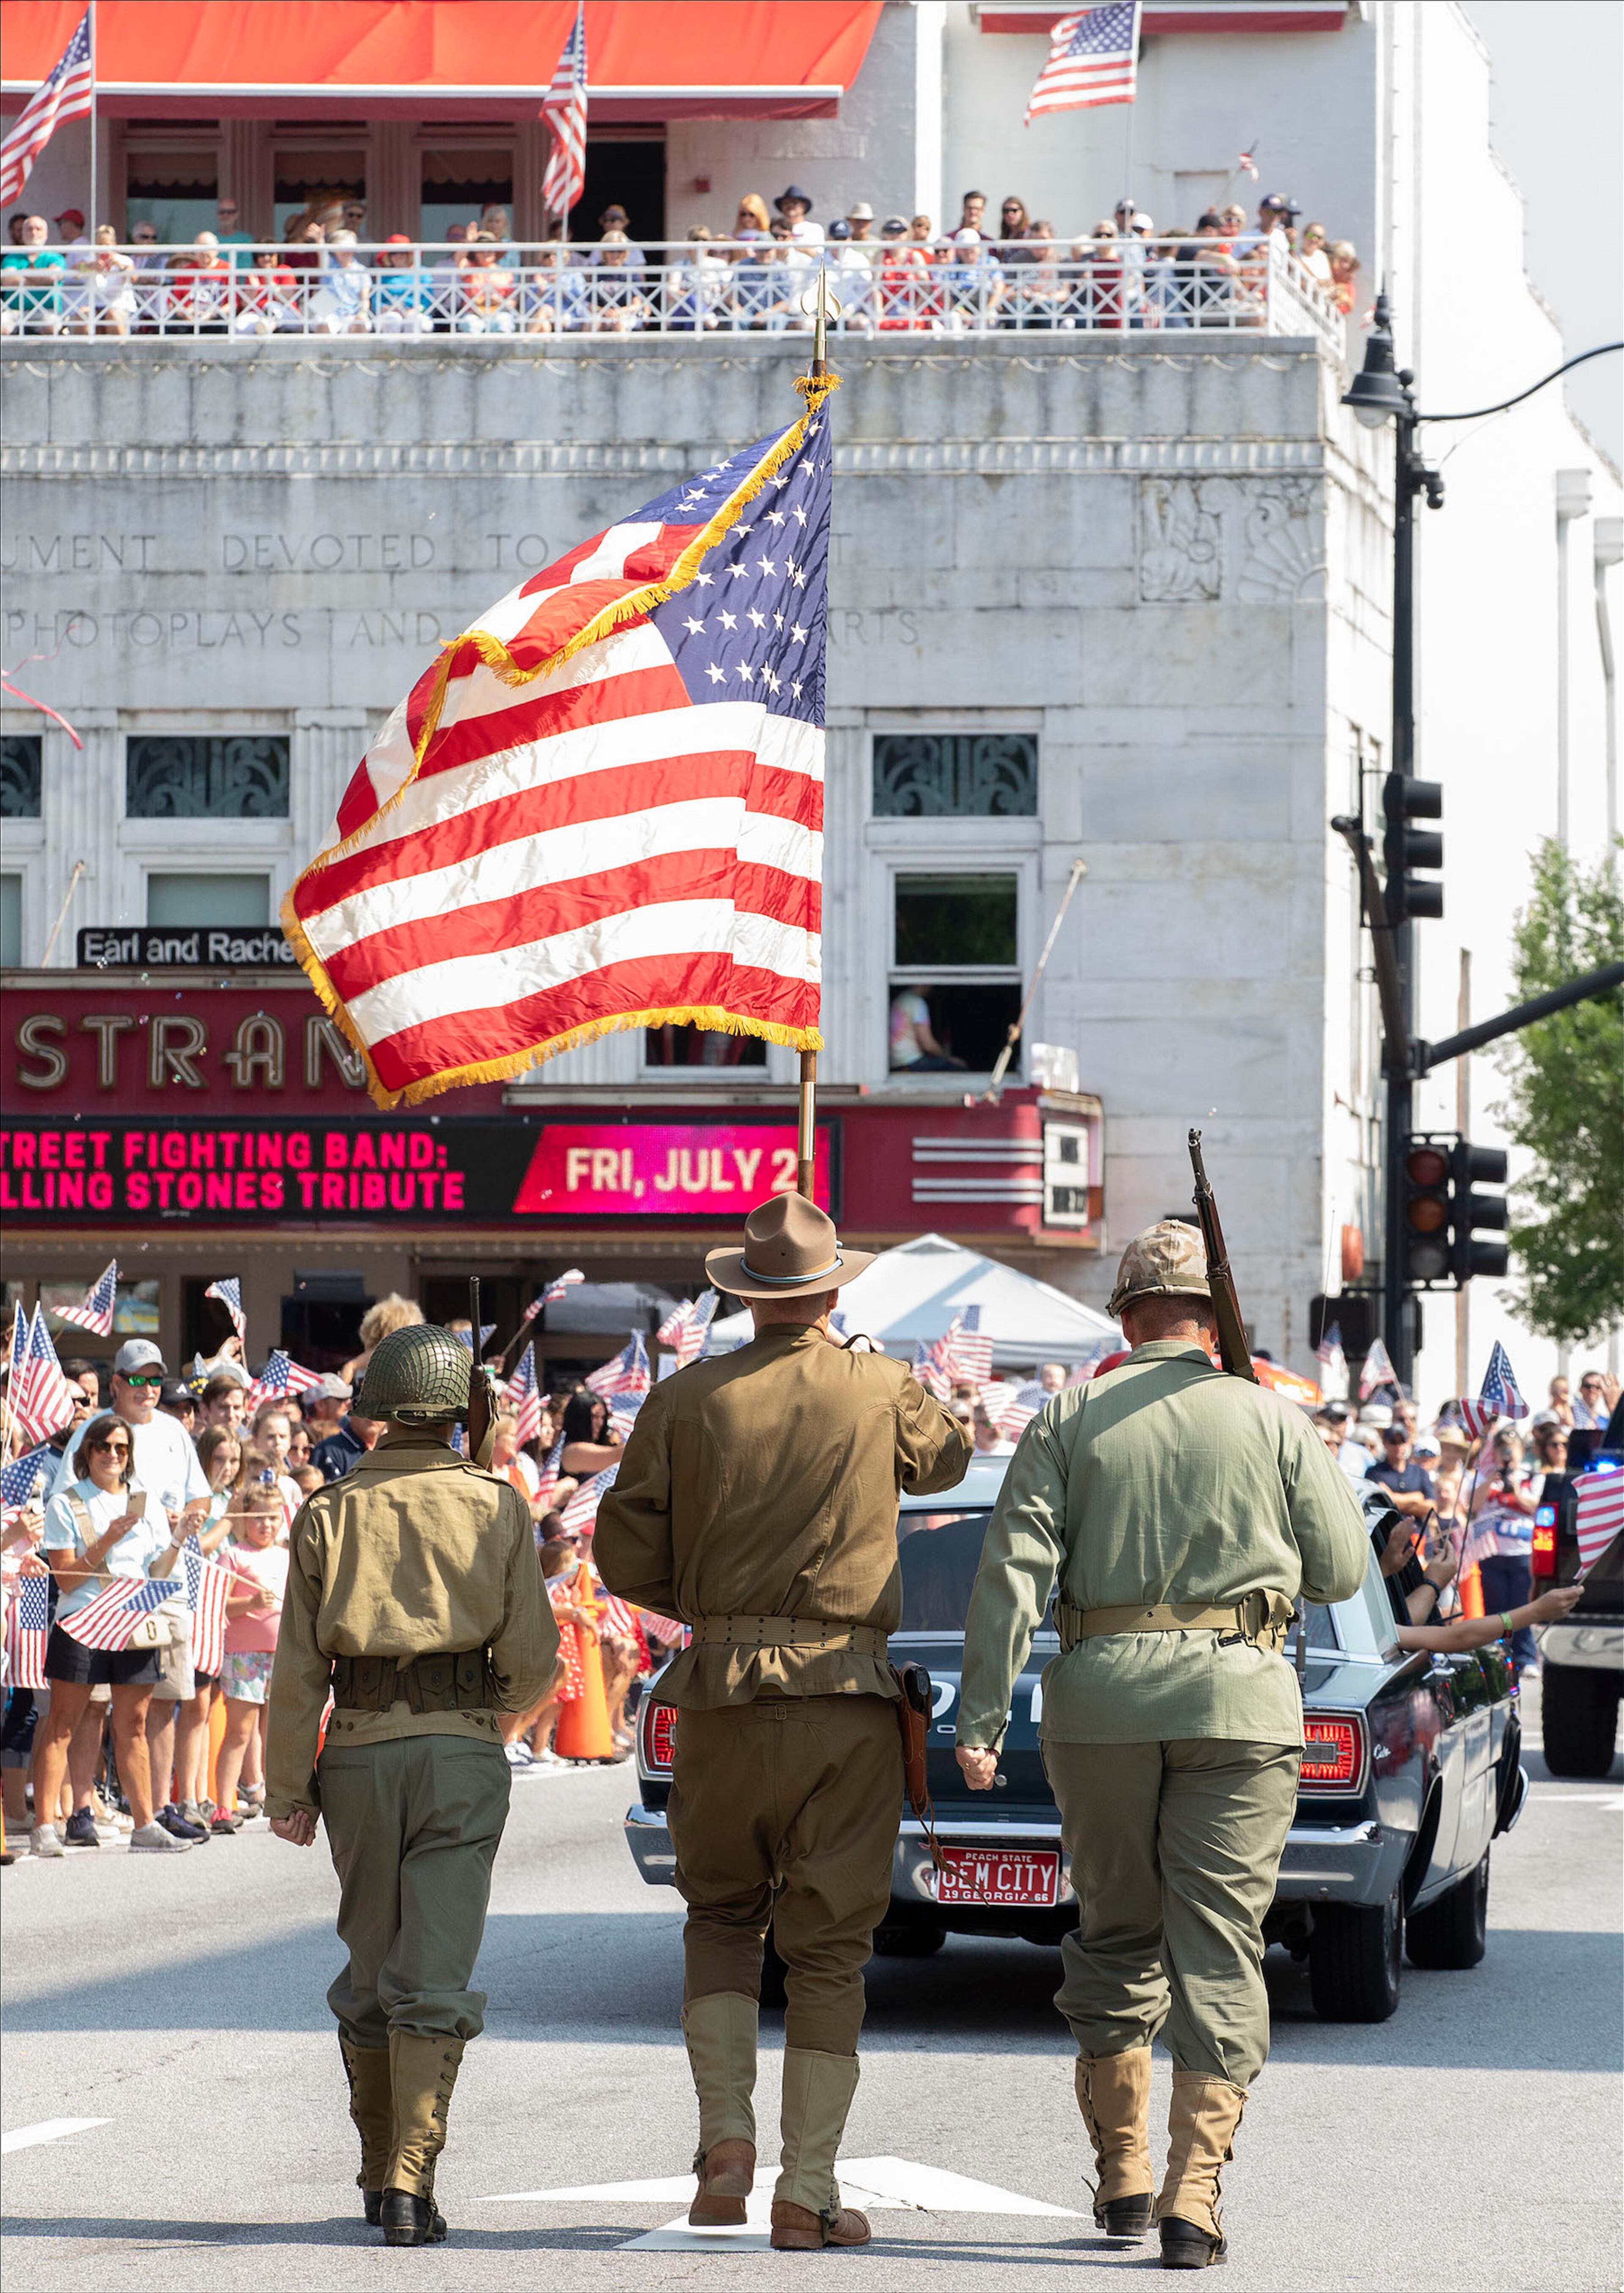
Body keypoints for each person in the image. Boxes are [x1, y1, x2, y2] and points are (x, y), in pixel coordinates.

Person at [954, 1220, 1368, 2268]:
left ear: (1126, 1315)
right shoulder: (1271, 1418)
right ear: (1211, 1316)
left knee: (1112, 1934)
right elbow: (1337, 1571)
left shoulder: (1068, 1412)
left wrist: (982, 1720)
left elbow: (1010, 1570)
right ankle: (1193, 2198)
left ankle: (1123, 2172)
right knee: (1221, 1942)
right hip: (1239, 1703)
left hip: (1099, 1706)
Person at [597, 1194, 970, 2250]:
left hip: (717, 1694)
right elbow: (944, 1462)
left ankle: (724, 2142)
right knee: (828, 1954)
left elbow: (621, 1554)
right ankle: (806, 2189)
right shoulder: (874, 1383)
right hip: (843, 1704)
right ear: (833, 1289)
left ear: (740, 1293)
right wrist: (873, 1370)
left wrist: (715, 1609)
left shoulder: (685, 1396)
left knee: (719, 1920)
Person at [265, 1326, 558, 2247]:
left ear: (383, 1409)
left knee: (371, 1959)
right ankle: (408, 2179)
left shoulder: (330, 1508)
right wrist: (492, 1708)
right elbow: (534, 1658)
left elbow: (298, 1668)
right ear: (459, 1411)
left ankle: (375, 2165)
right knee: (435, 1965)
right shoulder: (497, 1503)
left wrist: (289, 1788)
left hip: (356, 1749)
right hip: (462, 1748)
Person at [31, 1412, 195, 1856]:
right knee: (63, 1723)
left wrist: (178, 1538)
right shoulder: (66, 1503)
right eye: (104, 1447)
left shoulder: (146, 1503)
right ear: (88, 1452)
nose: (113, 1455)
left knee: (134, 1726)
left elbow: (156, 1569)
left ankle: (145, 1825)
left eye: (122, 1449)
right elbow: (65, 1579)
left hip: (133, 1621)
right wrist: (107, 1539)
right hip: (82, 1620)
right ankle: (45, 1825)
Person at [51, 1339, 211, 1523]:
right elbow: (66, 1498)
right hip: (108, 1549)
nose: (148, 1389)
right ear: (117, 1383)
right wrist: (96, 1544)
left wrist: (185, 1518)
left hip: (170, 1549)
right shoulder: (91, 1431)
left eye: (156, 1380)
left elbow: (201, 1496)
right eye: (139, 1380)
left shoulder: (176, 1430)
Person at [213, 1483, 290, 1832]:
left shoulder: (288, 1555)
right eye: (258, 1517)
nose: (266, 1525)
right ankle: (223, 1804)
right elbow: (217, 1605)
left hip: (282, 1653)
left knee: (277, 1731)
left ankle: (278, 1797)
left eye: (273, 1517)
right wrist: (251, 1604)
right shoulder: (234, 1555)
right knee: (238, 1733)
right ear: (245, 1519)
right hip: (244, 1655)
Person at [0, 214, 66, 335]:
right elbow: (7, 280)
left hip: (46, 311)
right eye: (29, 229)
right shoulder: (12, 258)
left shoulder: (55, 258)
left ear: (46, 234)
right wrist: (41, 279)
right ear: (23, 234)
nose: (34, 233)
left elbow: (52, 277)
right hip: (14, 312)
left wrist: (22, 274)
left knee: (50, 329)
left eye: (38, 229)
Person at [1366, 1420, 1436, 1518]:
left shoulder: (1420, 1472)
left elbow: (1431, 1507)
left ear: (1408, 1443)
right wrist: (1415, 1499)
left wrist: (1393, 1498)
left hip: (1417, 1531)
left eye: (1402, 1441)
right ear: (1385, 1443)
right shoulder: (1374, 1473)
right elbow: (1377, 1506)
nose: (1398, 1447)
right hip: (1388, 1530)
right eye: (1393, 1442)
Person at [889, 985, 964, 1070]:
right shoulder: (918, 1003)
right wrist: (948, 1059)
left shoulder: (900, 999)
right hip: (911, 1061)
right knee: (960, 1068)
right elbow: (927, 1044)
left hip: (895, 1061)